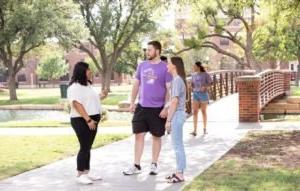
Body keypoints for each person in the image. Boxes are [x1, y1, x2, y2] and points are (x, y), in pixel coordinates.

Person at [123, 41, 172, 176]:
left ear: (157, 51)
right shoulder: (142, 65)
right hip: (142, 107)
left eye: (149, 50)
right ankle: (136, 165)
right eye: (146, 50)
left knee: (156, 136)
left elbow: (169, 90)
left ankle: (154, 164)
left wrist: (166, 108)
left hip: (158, 109)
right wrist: (132, 102)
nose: (147, 52)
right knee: (139, 135)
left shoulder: (165, 68)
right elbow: (136, 84)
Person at [67, 62, 108, 184]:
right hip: (81, 120)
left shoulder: (87, 85)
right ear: (82, 71)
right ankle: (80, 174)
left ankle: (86, 172)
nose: (90, 72)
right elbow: (76, 104)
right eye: (88, 70)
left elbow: (91, 100)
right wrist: (88, 120)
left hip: (92, 120)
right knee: (84, 146)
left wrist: (102, 95)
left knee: (87, 147)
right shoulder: (74, 87)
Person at [165, 56, 187, 183]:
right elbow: (172, 101)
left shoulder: (177, 80)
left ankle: (180, 174)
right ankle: (179, 171)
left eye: (168, 63)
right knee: (177, 145)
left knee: (178, 145)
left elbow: (174, 101)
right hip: (178, 115)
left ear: (174, 65)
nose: (167, 65)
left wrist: (168, 120)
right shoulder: (177, 80)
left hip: (177, 115)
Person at [190, 61, 212, 136]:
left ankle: (205, 129)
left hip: (203, 94)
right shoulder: (193, 75)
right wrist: (191, 85)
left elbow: (211, 82)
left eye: (194, 66)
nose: (193, 67)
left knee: (203, 111)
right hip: (195, 94)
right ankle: (195, 130)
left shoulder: (205, 74)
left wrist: (205, 87)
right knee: (195, 112)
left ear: (198, 67)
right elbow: (192, 84)